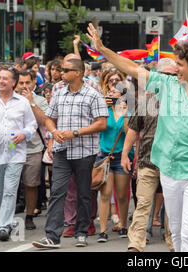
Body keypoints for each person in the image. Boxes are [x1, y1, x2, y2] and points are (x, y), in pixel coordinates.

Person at [86, 23, 188, 252]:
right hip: (167, 167)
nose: (177, 69)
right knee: (174, 227)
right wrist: (102, 49)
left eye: (180, 65)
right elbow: (133, 69)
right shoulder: (167, 85)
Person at [32, 58, 108, 249]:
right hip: (62, 151)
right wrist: (54, 132)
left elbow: (102, 123)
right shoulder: (59, 92)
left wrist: (75, 132)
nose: (61, 73)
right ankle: (52, 236)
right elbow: (49, 118)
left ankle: (81, 232)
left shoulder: (93, 94)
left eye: (66, 70)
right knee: (57, 192)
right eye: (61, 70)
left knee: (84, 192)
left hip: (84, 151)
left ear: (78, 73)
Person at [0, 67, 38, 242]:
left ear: (13, 82)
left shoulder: (22, 102)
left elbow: (32, 125)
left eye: (5, 78)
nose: (1, 81)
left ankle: (3, 226)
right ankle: (5, 216)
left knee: (10, 190)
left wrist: (24, 134)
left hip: (16, 154)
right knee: (2, 192)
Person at [123, 58, 177, 252]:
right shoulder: (146, 100)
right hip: (147, 161)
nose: (171, 79)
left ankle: (174, 244)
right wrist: (124, 155)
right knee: (143, 204)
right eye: (167, 75)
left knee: (172, 208)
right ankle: (135, 244)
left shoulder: (182, 100)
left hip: (173, 163)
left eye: (174, 75)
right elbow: (132, 129)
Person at [97, 70, 132, 242]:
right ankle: (102, 230)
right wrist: (105, 106)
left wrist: (124, 110)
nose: (113, 84)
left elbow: (128, 133)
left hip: (123, 156)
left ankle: (123, 225)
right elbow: (99, 127)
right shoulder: (102, 106)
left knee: (121, 195)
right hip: (105, 155)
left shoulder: (129, 106)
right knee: (105, 194)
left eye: (117, 81)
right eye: (110, 81)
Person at [15, 70, 49, 230]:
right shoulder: (9, 99)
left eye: (27, 83)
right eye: (21, 83)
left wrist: (31, 103)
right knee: (10, 185)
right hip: (12, 149)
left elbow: (44, 121)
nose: (24, 86)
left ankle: (29, 216)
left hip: (34, 148)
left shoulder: (40, 100)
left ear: (34, 82)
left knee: (31, 184)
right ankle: (5, 215)